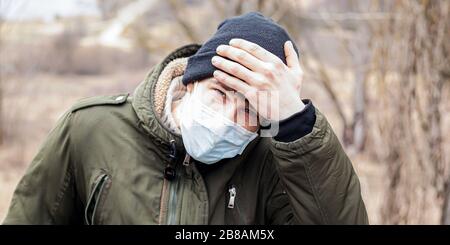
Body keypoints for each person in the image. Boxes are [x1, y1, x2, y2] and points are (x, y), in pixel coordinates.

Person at [3, 12, 368, 225]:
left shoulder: (271, 161)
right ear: (190, 82)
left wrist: (296, 120)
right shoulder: (89, 128)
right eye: (220, 94)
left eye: (251, 110)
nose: (228, 118)